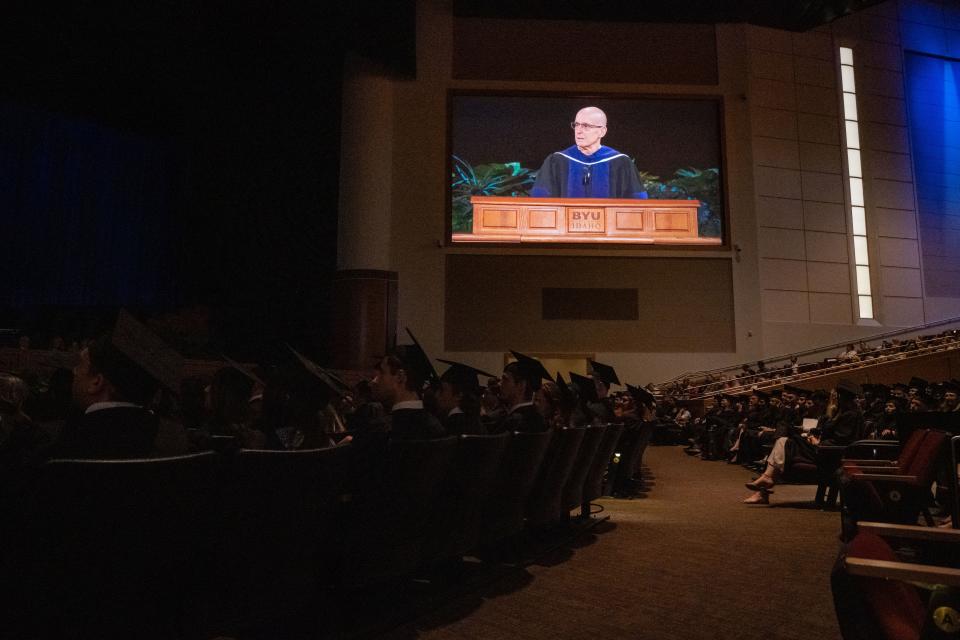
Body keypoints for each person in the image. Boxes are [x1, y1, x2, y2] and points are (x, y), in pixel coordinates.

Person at [530, 106, 647, 199]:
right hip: (565, 227)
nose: (579, 131)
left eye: (586, 126)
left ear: (602, 131)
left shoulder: (621, 163)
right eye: (576, 125)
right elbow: (540, 200)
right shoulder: (557, 161)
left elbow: (637, 204)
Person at [494, 350, 551, 434]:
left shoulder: (514, 422)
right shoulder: (539, 419)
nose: (499, 384)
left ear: (521, 385)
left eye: (505, 379)